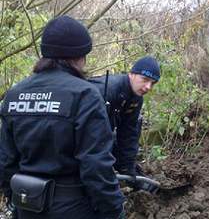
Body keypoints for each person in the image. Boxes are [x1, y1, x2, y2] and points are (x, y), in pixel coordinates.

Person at [0, 16, 125, 218]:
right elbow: (96, 165)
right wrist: (114, 210)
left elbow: (5, 161)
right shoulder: (85, 94)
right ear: (79, 56)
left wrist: (15, 200)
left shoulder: (15, 94)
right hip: (73, 207)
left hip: (26, 203)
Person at [89, 56, 160, 181]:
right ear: (131, 74)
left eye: (152, 83)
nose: (148, 87)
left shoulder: (136, 98)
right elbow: (89, 134)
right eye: (145, 79)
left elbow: (129, 132)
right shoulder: (105, 89)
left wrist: (127, 167)